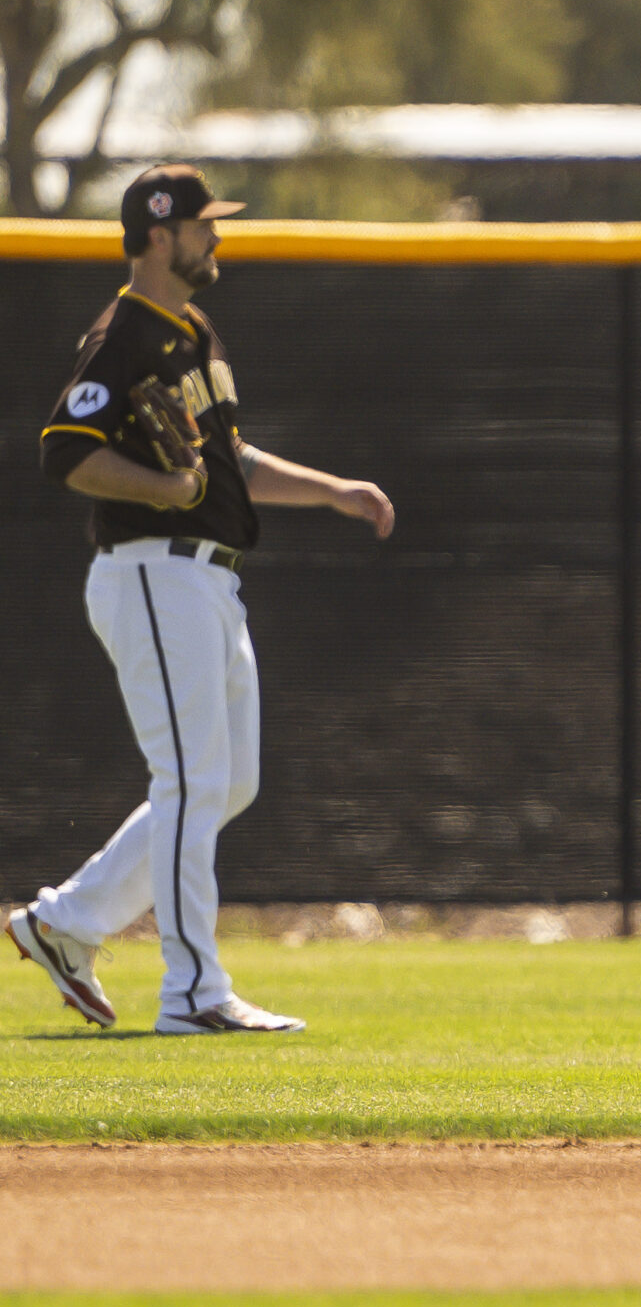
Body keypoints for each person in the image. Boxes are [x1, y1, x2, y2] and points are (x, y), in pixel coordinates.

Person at [8, 166, 395, 1034]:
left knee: (229, 783)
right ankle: (192, 989)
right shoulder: (122, 336)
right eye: (201, 224)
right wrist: (161, 489)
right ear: (158, 233)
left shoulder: (195, 331)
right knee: (188, 779)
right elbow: (64, 451)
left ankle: (63, 923)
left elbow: (231, 459)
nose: (214, 237)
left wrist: (334, 490)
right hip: (153, 568)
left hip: (211, 575)